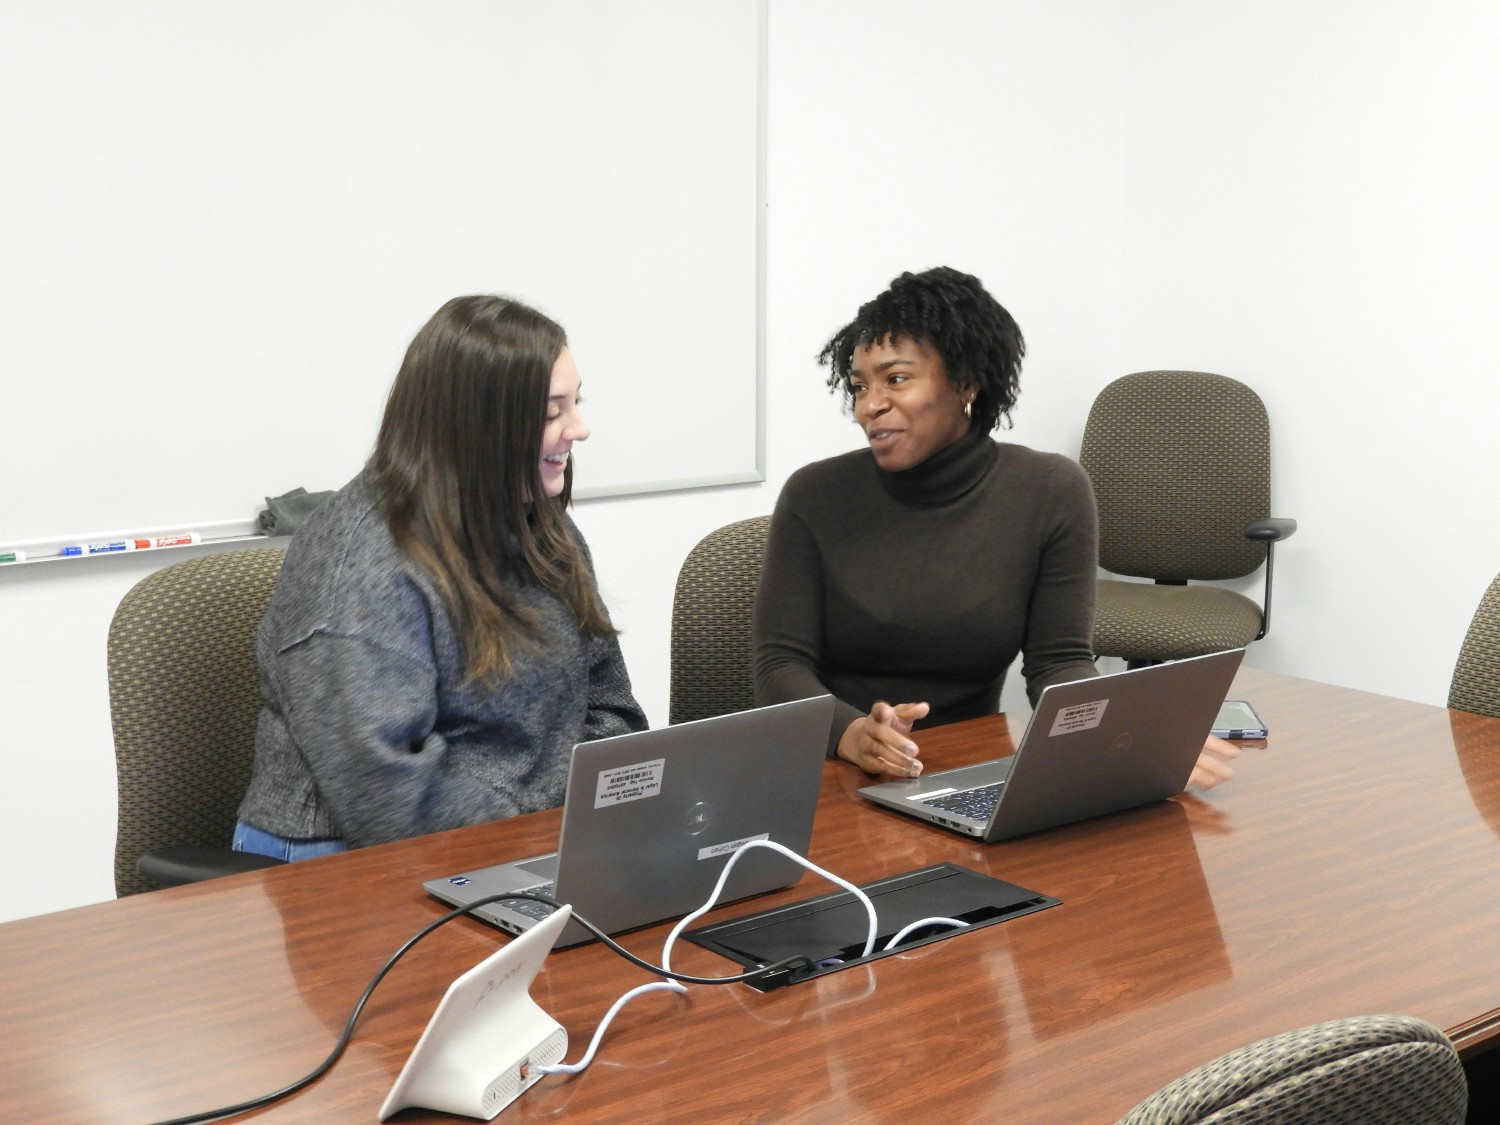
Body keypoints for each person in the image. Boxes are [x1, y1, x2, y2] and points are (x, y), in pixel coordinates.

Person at [753, 266, 1237, 788]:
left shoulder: (1050, 490)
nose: (870, 405)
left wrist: (1128, 733)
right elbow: (778, 666)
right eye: (859, 386)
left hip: (965, 767)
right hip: (825, 766)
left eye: (895, 379)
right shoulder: (814, 495)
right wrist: (851, 734)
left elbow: (1058, 665)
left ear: (966, 382)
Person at [234, 295, 647, 860]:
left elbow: (610, 709)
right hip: (343, 857)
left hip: (521, 839)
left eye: (576, 403)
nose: (580, 428)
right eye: (552, 413)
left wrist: (591, 815)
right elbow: (386, 797)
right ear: (475, 425)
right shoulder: (364, 566)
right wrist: (535, 831)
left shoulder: (542, 531)